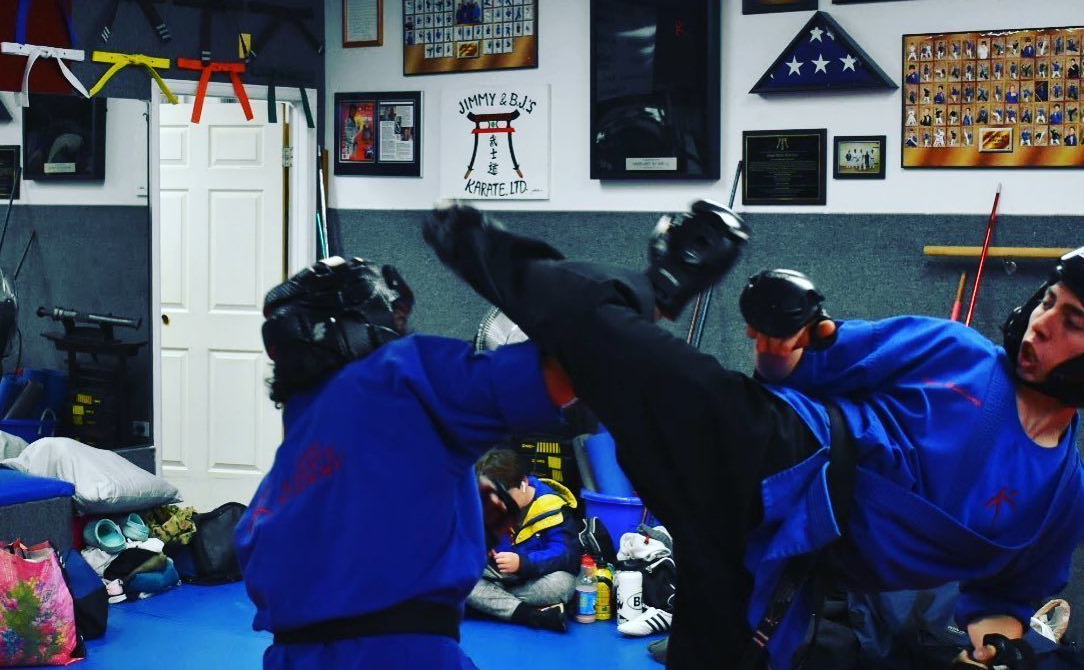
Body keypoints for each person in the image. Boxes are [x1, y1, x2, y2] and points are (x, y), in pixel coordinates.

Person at [423, 203, 1084, 670]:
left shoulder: (1061, 493)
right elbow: (797, 362)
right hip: (785, 454)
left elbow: (1005, 602)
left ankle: (655, 288)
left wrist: (998, 642)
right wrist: (784, 332)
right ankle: (636, 282)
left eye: (1073, 319)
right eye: (1049, 301)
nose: (1042, 323)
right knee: (627, 357)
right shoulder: (959, 352)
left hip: (785, 567)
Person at [233, 256, 570, 669]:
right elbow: (557, 374)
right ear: (357, 327)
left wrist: (449, 516)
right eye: (392, 321)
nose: (400, 332)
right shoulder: (396, 375)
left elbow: (337, 543)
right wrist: (647, 297)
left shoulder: (281, 474)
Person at [466, 448, 580, 632]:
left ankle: (489, 605)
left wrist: (523, 563)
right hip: (497, 576)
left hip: (533, 577)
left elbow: (567, 555)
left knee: (563, 585)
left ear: (523, 483)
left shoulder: (551, 506)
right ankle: (532, 615)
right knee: (461, 576)